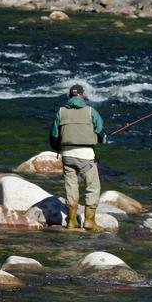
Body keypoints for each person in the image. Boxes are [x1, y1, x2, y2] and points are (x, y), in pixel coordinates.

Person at [49, 84, 106, 232]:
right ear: (82, 95)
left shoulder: (61, 112)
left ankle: (72, 221)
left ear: (70, 96)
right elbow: (100, 133)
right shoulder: (91, 112)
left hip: (67, 156)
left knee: (71, 187)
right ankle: (89, 221)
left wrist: (59, 149)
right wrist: (100, 139)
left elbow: (54, 136)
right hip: (86, 156)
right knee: (92, 187)